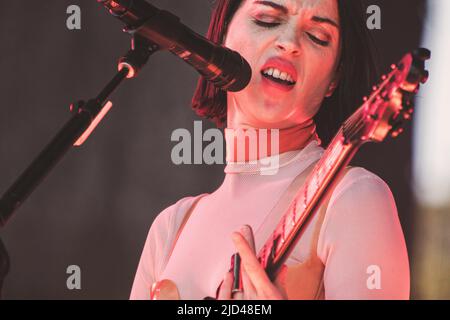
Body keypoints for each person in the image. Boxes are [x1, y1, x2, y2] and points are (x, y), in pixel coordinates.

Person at [130, 0, 410, 300]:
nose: (289, 44)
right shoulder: (171, 227)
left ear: (334, 79)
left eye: (317, 36)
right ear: (221, 37)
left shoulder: (354, 197)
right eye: (266, 20)